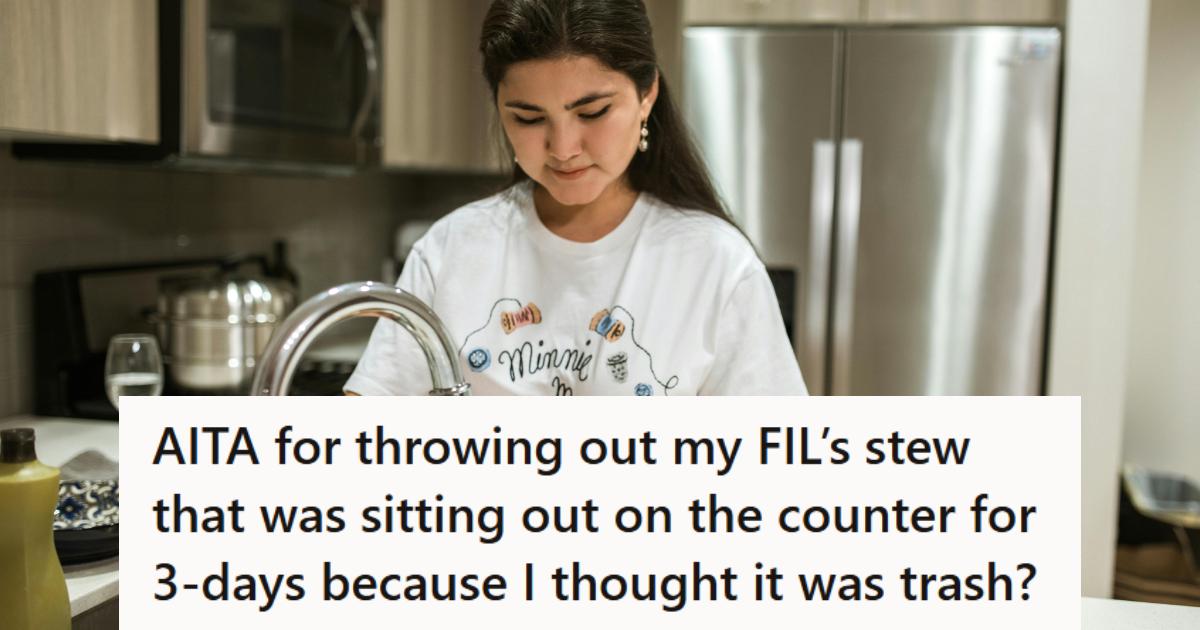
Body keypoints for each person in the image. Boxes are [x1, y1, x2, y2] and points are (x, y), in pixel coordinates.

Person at [344, 0, 805, 396]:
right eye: (528, 118)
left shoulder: (717, 264)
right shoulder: (450, 250)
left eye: (593, 112)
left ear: (647, 96)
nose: (563, 148)